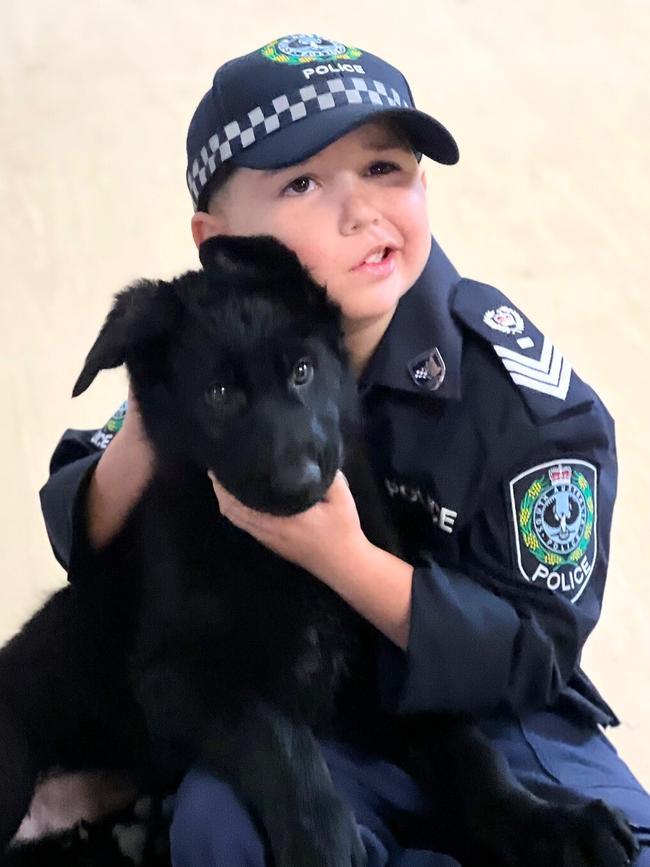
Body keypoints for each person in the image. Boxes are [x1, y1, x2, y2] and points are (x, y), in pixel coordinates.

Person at [39, 33, 649, 866]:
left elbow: (534, 652)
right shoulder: (211, 357)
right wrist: (161, 411)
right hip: (321, 722)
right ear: (216, 240)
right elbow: (86, 524)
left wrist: (345, 559)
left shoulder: (519, 397)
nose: (360, 209)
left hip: (501, 723)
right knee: (224, 829)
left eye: (385, 169)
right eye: (302, 182)